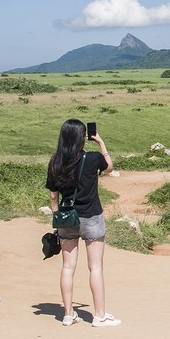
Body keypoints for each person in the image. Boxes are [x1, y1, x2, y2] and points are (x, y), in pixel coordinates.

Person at [45, 119, 118, 327]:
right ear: (82, 137)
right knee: (95, 267)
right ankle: (99, 315)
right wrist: (101, 143)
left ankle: (68, 314)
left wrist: (57, 217)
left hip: (67, 218)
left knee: (68, 266)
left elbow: (52, 197)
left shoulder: (55, 162)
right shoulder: (93, 158)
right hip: (91, 216)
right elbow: (109, 168)